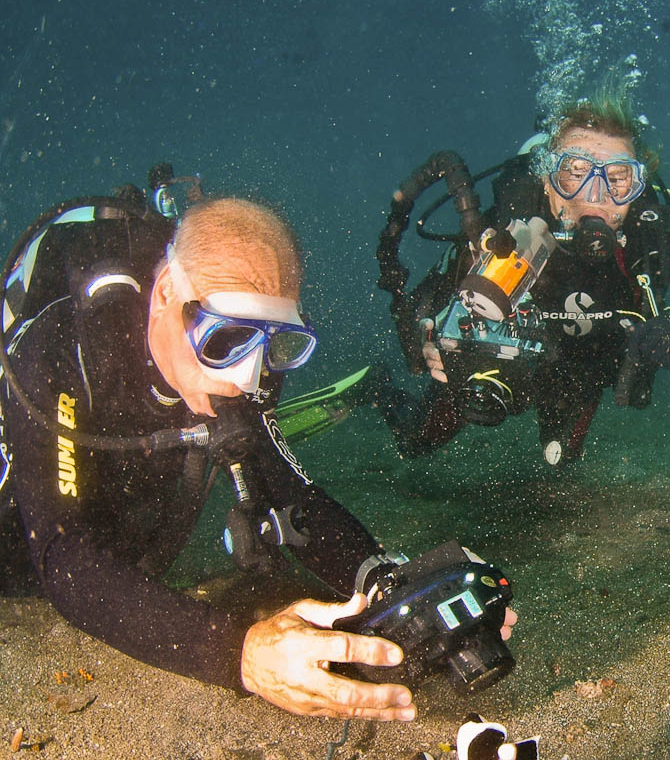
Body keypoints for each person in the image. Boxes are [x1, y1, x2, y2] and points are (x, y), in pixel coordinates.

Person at [0, 189, 514, 719]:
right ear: (165, 295)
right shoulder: (63, 348)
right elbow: (63, 562)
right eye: (226, 339)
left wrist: (389, 584)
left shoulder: (248, 372)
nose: (246, 376)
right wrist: (240, 655)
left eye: (275, 342)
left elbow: (291, 499)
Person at [370, 85, 670, 465]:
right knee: (413, 440)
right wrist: (429, 339)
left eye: (619, 178)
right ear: (547, 180)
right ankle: (374, 387)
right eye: (576, 172)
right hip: (498, 365)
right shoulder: (503, 237)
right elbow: (422, 303)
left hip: (580, 376)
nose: (597, 196)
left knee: (563, 460)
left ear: (637, 188)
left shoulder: (651, 239)